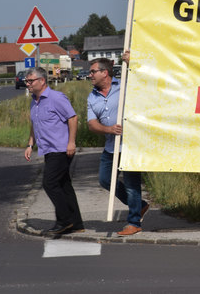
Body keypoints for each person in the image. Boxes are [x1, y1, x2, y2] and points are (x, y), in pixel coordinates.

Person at [87, 55, 149, 236]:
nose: (90, 75)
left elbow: (143, 79)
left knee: (131, 185)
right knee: (105, 180)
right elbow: (91, 124)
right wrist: (108, 129)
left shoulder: (124, 86)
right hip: (110, 148)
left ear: (104, 73)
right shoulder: (92, 97)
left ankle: (134, 222)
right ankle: (139, 206)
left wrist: (131, 62)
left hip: (130, 146)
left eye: (93, 71)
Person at [24, 67, 83, 235]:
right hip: (48, 149)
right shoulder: (34, 101)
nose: (27, 84)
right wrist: (30, 145)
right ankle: (77, 224)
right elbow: (34, 125)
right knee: (64, 185)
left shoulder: (56, 98)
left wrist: (71, 142)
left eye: (30, 81)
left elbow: (72, 117)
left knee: (49, 183)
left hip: (61, 148)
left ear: (42, 81)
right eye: (26, 81)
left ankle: (65, 221)